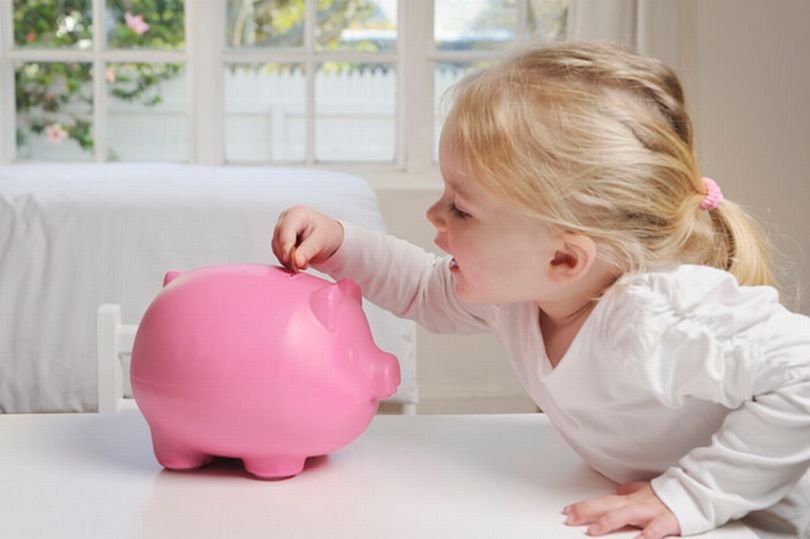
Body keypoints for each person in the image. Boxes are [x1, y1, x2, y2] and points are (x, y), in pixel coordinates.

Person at [271, 42, 810, 538]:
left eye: (461, 208)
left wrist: (691, 495)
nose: (434, 215)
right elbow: (422, 289)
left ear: (564, 258)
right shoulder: (521, 297)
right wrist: (340, 244)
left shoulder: (651, 315)